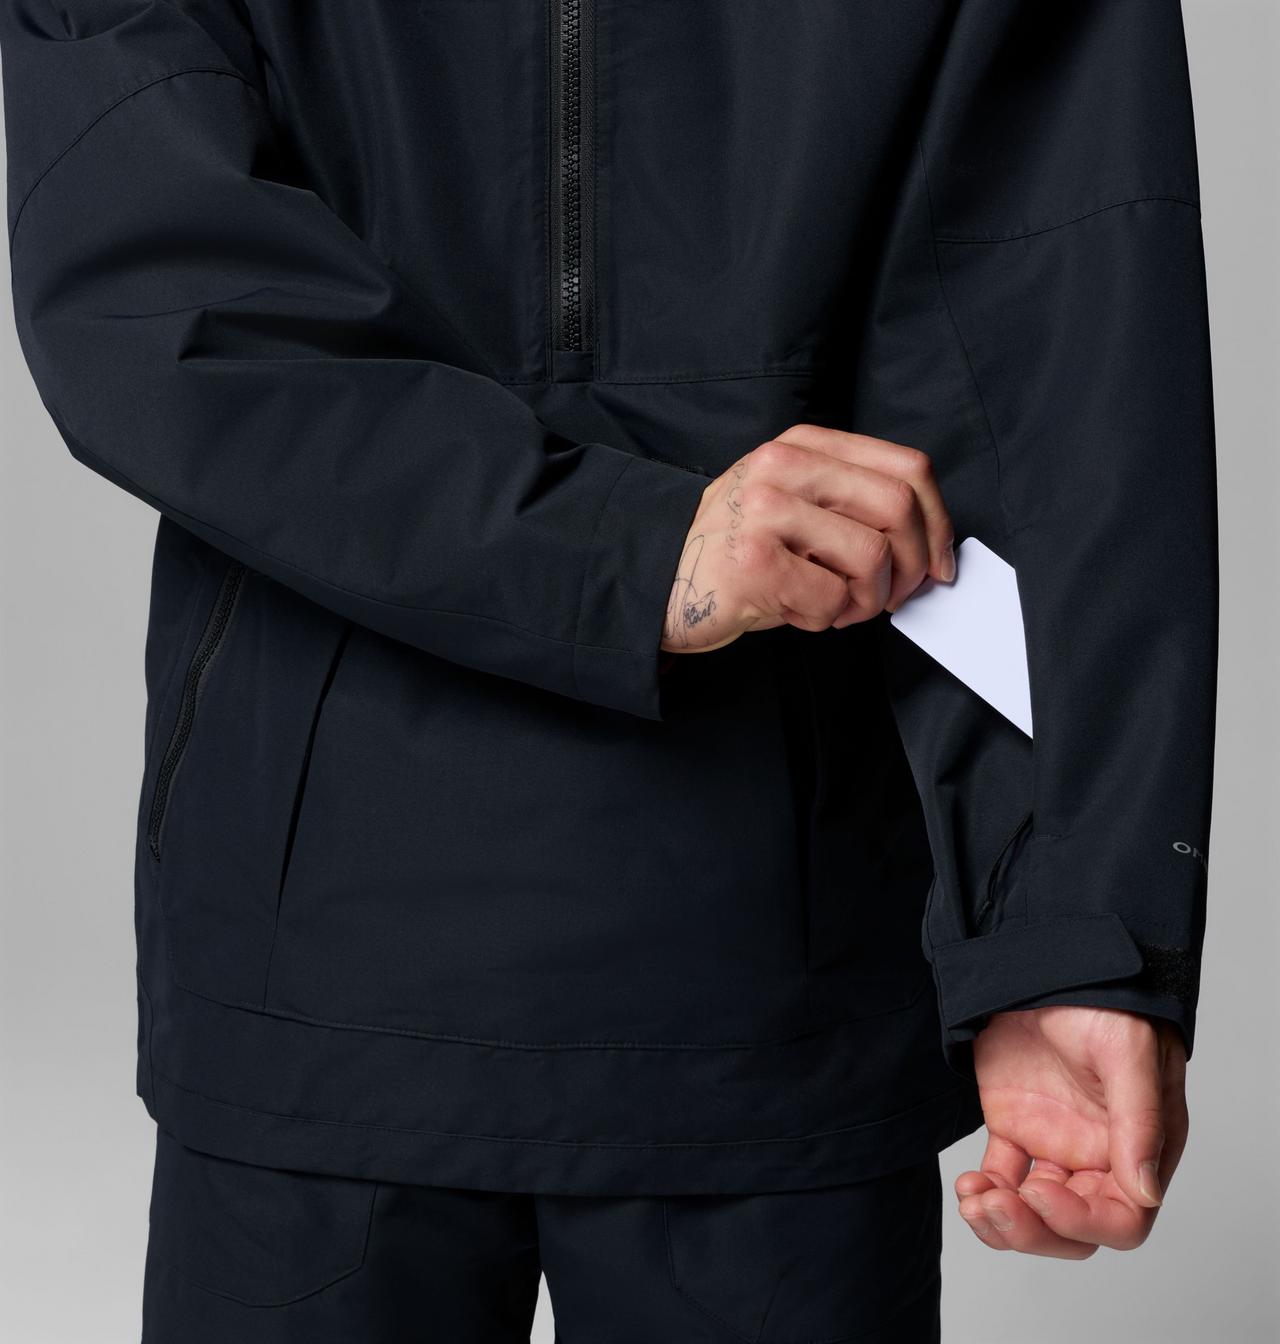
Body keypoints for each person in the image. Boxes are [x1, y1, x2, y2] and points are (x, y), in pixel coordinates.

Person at [0, 2, 1216, 1340]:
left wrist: (1072, 931)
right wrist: (629, 553)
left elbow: (1057, 345)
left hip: (759, 978)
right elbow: (155, 289)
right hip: (339, 963)